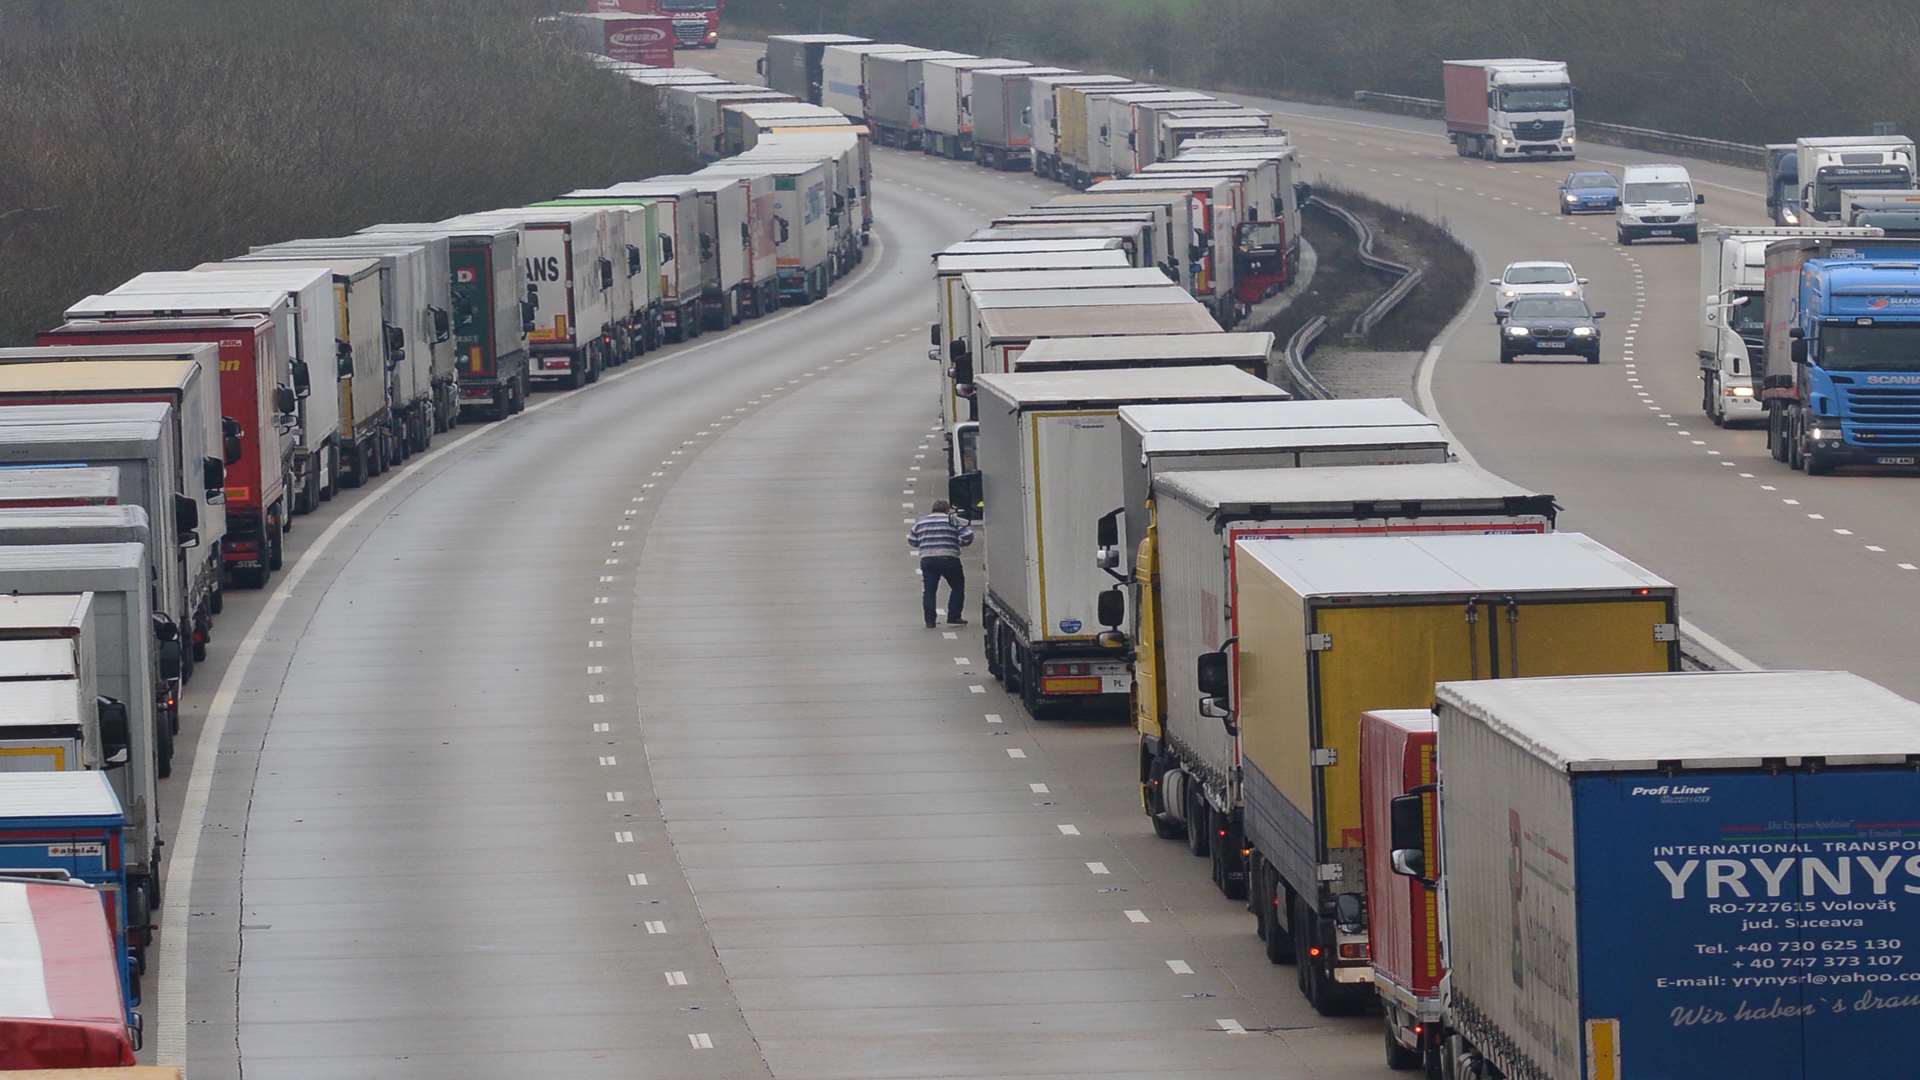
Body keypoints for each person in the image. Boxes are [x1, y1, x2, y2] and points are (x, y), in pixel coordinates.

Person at [907, 499, 973, 628]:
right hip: (949, 558)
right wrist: (959, 543)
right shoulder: (952, 520)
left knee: (929, 591)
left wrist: (923, 544)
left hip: (928, 559)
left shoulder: (921, 522)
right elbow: (968, 535)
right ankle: (954, 617)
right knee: (957, 587)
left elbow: (911, 540)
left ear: (933, 509)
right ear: (947, 510)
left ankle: (930, 621)